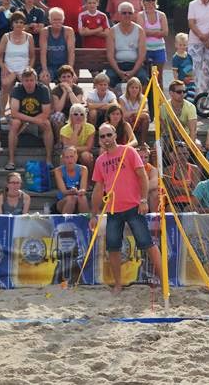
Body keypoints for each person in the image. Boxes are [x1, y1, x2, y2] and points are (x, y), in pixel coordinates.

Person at [90, 123, 160, 294]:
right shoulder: (100, 161)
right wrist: (94, 214)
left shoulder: (128, 151)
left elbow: (142, 176)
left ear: (115, 135)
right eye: (102, 136)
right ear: (99, 140)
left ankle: (166, 282)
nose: (106, 139)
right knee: (113, 248)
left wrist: (143, 200)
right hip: (113, 210)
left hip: (133, 206)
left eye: (109, 135)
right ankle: (118, 284)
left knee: (148, 244)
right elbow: (98, 189)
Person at [7, 68, 53, 171]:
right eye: (26, 80)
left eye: (31, 80)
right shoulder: (17, 89)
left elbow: (46, 112)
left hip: (39, 117)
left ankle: (49, 159)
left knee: (47, 124)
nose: (29, 83)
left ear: (36, 80)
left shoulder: (43, 89)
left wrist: (32, 121)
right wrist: (30, 121)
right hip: (21, 119)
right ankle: (11, 161)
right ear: (22, 81)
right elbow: (14, 112)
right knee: (15, 123)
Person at [0, 12, 35, 116]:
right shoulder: (6, 37)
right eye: (16, 22)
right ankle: (2, 114)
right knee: (5, 85)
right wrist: (3, 67)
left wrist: (29, 68)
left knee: (29, 86)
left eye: (21, 22)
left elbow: (32, 56)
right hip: (9, 68)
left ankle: (25, 112)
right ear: (12, 23)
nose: (19, 24)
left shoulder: (29, 37)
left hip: (24, 69)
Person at [106, 2, 147, 90]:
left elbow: (142, 55)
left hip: (135, 65)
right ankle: (114, 99)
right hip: (117, 65)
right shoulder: (112, 31)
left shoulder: (140, 30)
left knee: (143, 78)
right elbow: (110, 55)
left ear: (133, 14)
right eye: (124, 13)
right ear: (119, 14)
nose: (127, 15)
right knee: (108, 80)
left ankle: (140, 99)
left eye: (130, 13)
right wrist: (119, 72)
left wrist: (133, 72)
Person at [40, 8, 75, 85]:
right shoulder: (45, 31)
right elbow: (43, 52)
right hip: (50, 66)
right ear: (50, 20)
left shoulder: (68, 31)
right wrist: (44, 70)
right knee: (44, 78)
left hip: (64, 66)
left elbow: (71, 52)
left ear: (63, 20)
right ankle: (48, 93)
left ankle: (65, 93)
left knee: (70, 79)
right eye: (54, 20)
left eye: (59, 19)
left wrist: (70, 69)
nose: (57, 22)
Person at [54, 146, 88, 213]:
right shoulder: (58, 171)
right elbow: (63, 192)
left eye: (72, 156)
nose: (70, 159)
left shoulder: (83, 169)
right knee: (71, 198)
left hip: (78, 198)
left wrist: (81, 191)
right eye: (67, 157)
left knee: (82, 198)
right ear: (63, 159)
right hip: (63, 200)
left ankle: (86, 219)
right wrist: (73, 191)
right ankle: (65, 219)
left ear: (76, 157)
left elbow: (83, 188)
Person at [61, 104, 95, 171]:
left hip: (83, 152)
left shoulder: (90, 128)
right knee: (63, 158)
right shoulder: (64, 130)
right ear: (71, 116)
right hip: (69, 154)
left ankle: (90, 176)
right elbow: (68, 149)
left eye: (82, 114)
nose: (79, 116)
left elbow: (88, 147)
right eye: (76, 114)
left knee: (86, 156)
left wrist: (74, 148)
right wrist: (76, 131)